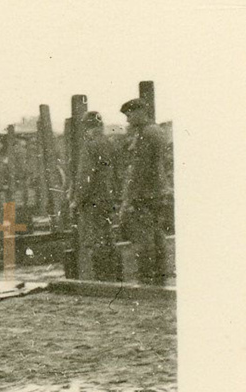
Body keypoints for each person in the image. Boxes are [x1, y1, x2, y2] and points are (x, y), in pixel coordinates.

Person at [117, 97, 171, 285]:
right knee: (157, 234)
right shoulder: (157, 131)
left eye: (130, 115)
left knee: (143, 237)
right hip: (158, 192)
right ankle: (161, 274)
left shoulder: (145, 134)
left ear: (140, 112)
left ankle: (147, 277)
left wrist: (128, 199)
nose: (128, 119)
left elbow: (139, 169)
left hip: (144, 194)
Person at [72, 111, 122, 281]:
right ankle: (114, 275)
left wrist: (77, 199)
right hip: (108, 198)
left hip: (92, 200)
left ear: (87, 128)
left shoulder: (90, 146)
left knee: (94, 238)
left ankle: (101, 277)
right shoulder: (110, 144)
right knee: (108, 236)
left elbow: (85, 176)